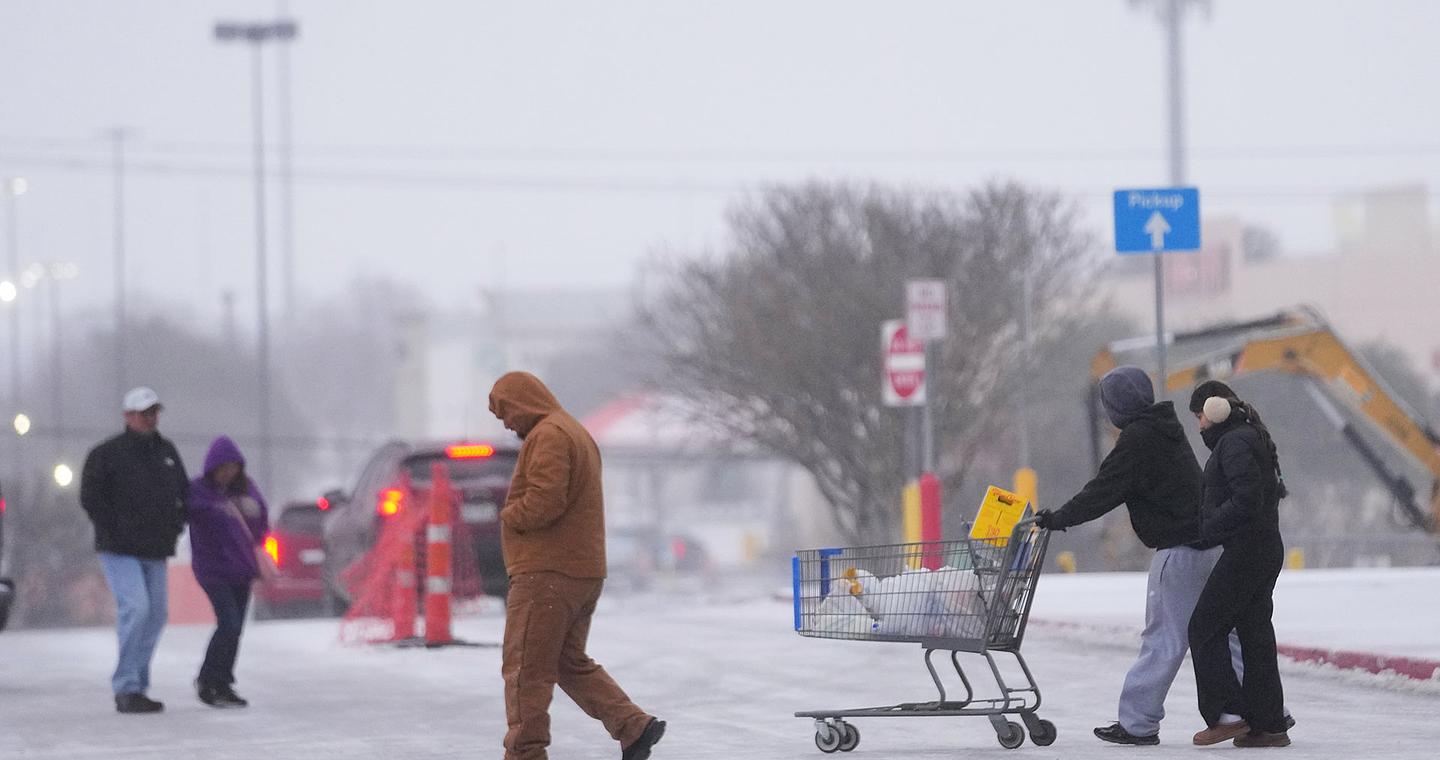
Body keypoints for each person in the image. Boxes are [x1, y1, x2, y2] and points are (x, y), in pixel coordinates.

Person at [1035, 365, 1221, 746]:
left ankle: (1137, 722)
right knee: (1224, 633)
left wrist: (1057, 519)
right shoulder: (1167, 429)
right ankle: (1246, 712)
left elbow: (1103, 490)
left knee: (1163, 638)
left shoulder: (1138, 439)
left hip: (1180, 552)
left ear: (1116, 406)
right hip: (1212, 546)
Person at [488, 371, 665, 760]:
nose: (508, 424)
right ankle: (632, 726)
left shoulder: (549, 434)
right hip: (580, 571)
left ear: (522, 402)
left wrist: (509, 515)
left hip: (547, 573)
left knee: (525, 669)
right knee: (566, 662)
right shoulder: (573, 430)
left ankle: (525, 753)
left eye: (506, 414)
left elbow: (546, 499)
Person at [1186, 380, 1291, 748]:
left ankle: (1228, 715)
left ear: (1215, 410)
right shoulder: (1248, 436)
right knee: (1254, 633)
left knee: (1204, 626)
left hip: (1247, 550)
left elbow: (1246, 498)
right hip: (1262, 547)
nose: (1199, 426)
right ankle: (1268, 724)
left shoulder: (1234, 442)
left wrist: (1208, 527)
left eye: (1200, 416)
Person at [80, 386, 189, 714]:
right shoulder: (106, 454)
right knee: (137, 608)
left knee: (156, 615)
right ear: (128, 416)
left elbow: (182, 491)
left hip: (155, 547)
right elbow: (91, 497)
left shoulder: (166, 451)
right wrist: (112, 528)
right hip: (119, 548)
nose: (151, 418)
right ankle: (126, 685)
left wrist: (176, 522)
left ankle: (137, 684)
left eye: (154, 411)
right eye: (144, 413)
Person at [187, 435, 270, 708]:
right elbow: (191, 511)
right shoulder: (199, 490)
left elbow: (260, 525)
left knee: (234, 629)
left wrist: (254, 512)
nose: (227, 473)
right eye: (223, 468)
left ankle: (222, 683)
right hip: (213, 570)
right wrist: (216, 508)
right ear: (212, 467)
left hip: (242, 569)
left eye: (232, 467)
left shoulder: (247, 489)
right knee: (229, 623)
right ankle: (207, 679)